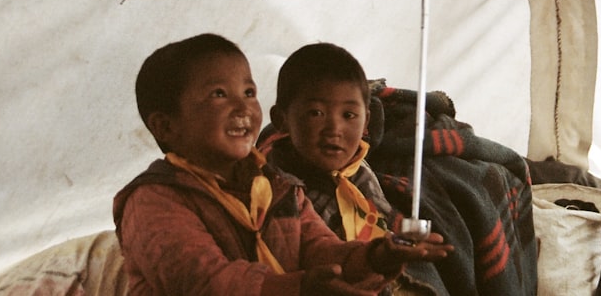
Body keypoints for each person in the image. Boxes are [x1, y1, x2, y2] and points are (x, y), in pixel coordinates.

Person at [113, 33, 452, 296]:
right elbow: (206, 283)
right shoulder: (154, 200)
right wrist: (300, 288)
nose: (243, 107)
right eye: (219, 94)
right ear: (166, 126)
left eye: (248, 92)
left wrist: (379, 257)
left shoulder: (276, 186)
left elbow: (320, 250)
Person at [262, 42, 450, 296]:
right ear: (281, 119)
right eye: (316, 113)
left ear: (366, 124)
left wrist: (393, 250)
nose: (334, 129)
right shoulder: (276, 186)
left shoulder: (359, 171)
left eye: (349, 115)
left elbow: (382, 224)